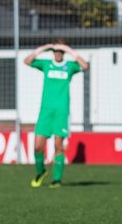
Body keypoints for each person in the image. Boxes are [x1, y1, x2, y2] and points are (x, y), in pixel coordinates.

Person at [23, 42, 88, 188]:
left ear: (63, 53)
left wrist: (70, 51)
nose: (58, 54)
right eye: (55, 51)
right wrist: (42, 48)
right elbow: (27, 61)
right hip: (45, 112)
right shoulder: (46, 64)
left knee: (58, 145)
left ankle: (57, 179)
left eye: (60, 51)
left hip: (61, 112)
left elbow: (85, 66)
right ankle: (41, 172)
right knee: (38, 146)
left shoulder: (69, 67)